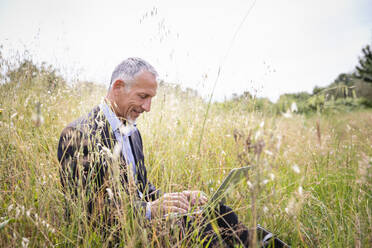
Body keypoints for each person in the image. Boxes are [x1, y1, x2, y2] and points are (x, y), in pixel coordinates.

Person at [57, 58, 287, 247]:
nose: (147, 108)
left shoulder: (132, 132)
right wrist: (150, 210)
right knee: (199, 229)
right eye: (143, 97)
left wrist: (179, 199)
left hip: (143, 221)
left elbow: (141, 188)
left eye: (151, 99)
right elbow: (88, 214)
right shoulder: (78, 134)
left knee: (219, 212)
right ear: (118, 87)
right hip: (118, 236)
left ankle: (263, 242)